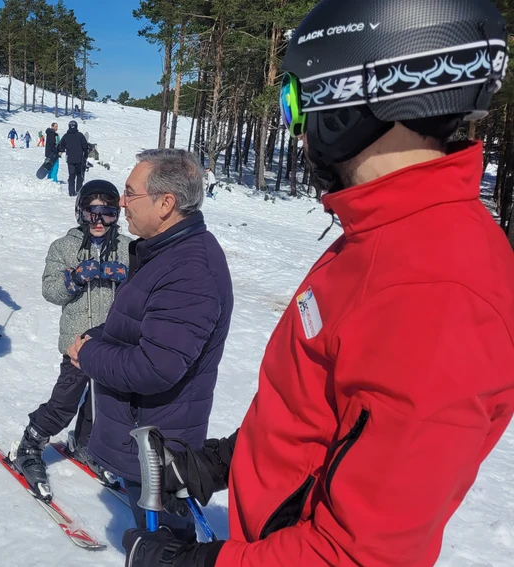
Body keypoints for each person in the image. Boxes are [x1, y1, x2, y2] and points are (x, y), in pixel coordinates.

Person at [121, 1, 514, 566]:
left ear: (352, 93)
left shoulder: (437, 289)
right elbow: (322, 414)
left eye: (293, 99)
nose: (294, 126)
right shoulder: (380, 234)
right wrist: (221, 462)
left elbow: (360, 556)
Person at [67, 148, 233, 544]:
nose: (121, 203)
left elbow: (154, 367)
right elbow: (143, 322)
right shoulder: (164, 251)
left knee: (166, 545)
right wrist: (99, 334)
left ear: (166, 203)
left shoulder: (191, 270)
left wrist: (88, 354)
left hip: (158, 446)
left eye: (130, 194)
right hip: (139, 435)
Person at [10, 180, 133, 499]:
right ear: (80, 213)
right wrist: (75, 278)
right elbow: (50, 291)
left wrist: (128, 279)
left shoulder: (127, 247)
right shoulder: (64, 247)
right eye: (91, 213)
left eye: (106, 214)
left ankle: (85, 444)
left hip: (114, 343)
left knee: (103, 402)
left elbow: (143, 294)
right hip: (78, 343)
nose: (98, 221)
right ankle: (29, 445)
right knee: (66, 400)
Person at [57, 120, 90, 197]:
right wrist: (86, 154)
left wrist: (61, 151)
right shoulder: (80, 135)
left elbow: (61, 147)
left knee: (71, 175)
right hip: (79, 159)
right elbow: (85, 146)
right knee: (79, 175)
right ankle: (78, 190)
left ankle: (71, 192)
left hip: (70, 159)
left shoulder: (65, 136)